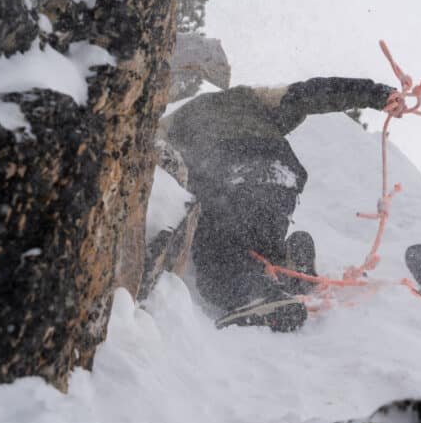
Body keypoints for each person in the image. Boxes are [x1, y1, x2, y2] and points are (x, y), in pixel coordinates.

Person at [164, 77, 394, 331]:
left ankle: (257, 295)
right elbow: (310, 93)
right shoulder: (251, 97)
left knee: (217, 260)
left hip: (231, 179)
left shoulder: (168, 126)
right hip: (281, 177)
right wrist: (376, 94)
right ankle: (286, 262)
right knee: (257, 237)